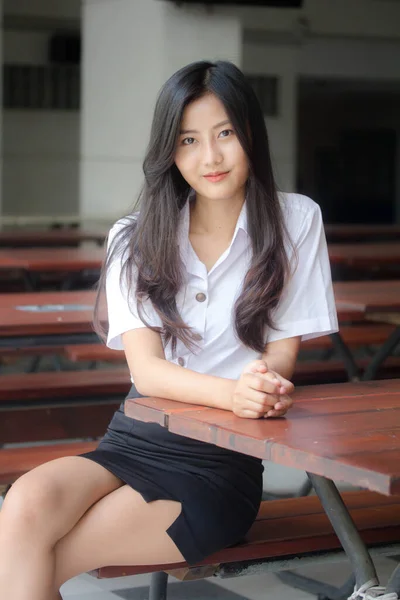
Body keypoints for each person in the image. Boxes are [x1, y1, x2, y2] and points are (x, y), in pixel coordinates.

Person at [0, 60, 338, 600]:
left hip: (219, 464)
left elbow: (282, 360)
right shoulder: (134, 236)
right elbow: (147, 372)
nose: (210, 156)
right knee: (25, 504)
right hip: (135, 438)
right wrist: (235, 391)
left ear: (251, 132)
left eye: (225, 133)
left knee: (28, 560)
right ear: (169, 151)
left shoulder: (296, 220)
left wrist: (263, 385)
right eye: (188, 140)